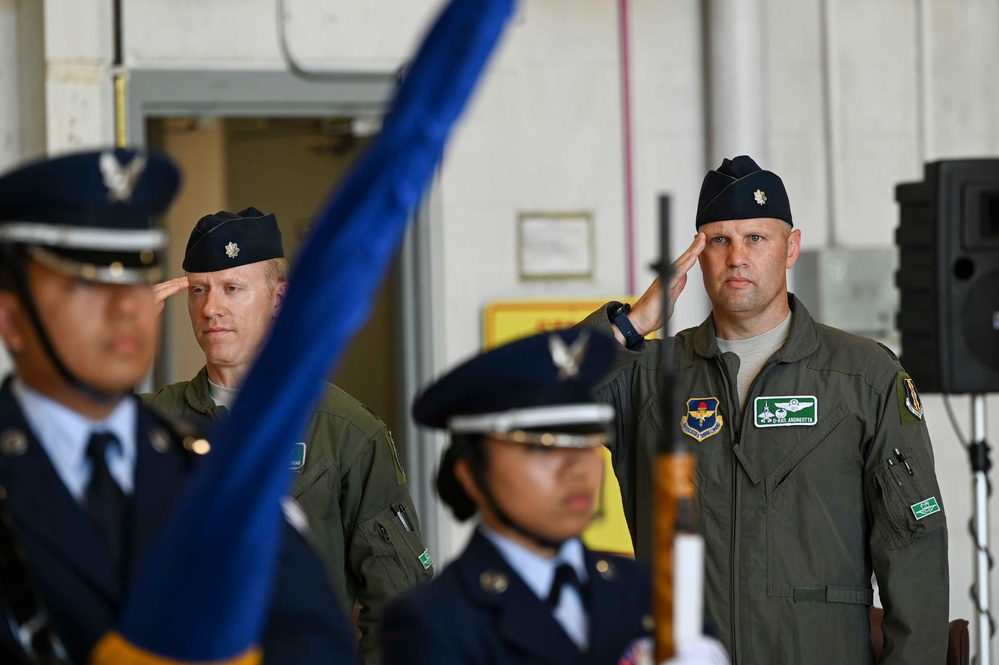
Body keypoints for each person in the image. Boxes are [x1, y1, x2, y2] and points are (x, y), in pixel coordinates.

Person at [581, 155, 949, 663]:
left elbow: (914, 546)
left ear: (790, 247)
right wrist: (632, 323)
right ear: (696, 255)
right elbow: (523, 410)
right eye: (719, 240)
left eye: (756, 238)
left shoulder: (864, 377)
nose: (737, 257)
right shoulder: (646, 378)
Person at [0, 148, 354, 663]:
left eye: (137, 277)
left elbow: (313, 641)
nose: (126, 306)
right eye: (87, 281)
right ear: (11, 321)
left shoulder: (210, 467)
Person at [144, 206, 433, 664]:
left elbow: (397, 599)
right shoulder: (150, 423)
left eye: (232, 289)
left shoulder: (343, 429)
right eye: (198, 290)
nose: (210, 307)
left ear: (279, 300)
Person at [381, 328, 730, 665]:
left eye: (586, 443)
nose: (577, 469)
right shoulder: (433, 621)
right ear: (471, 475)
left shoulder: (648, 591)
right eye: (542, 450)